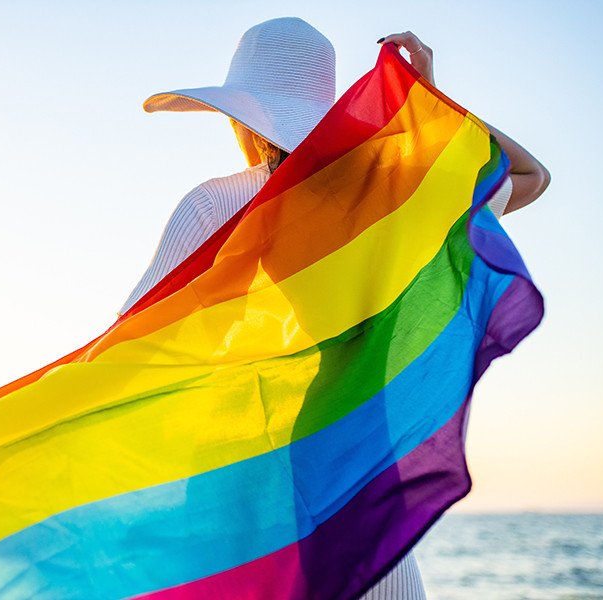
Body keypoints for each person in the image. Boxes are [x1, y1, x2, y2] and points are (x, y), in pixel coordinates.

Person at [119, 18, 549, 599]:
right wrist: (429, 103)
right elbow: (530, 175)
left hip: (242, 474)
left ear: (245, 120)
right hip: (356, 463)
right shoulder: (393, 199)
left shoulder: (215, 206)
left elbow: (127, 348)